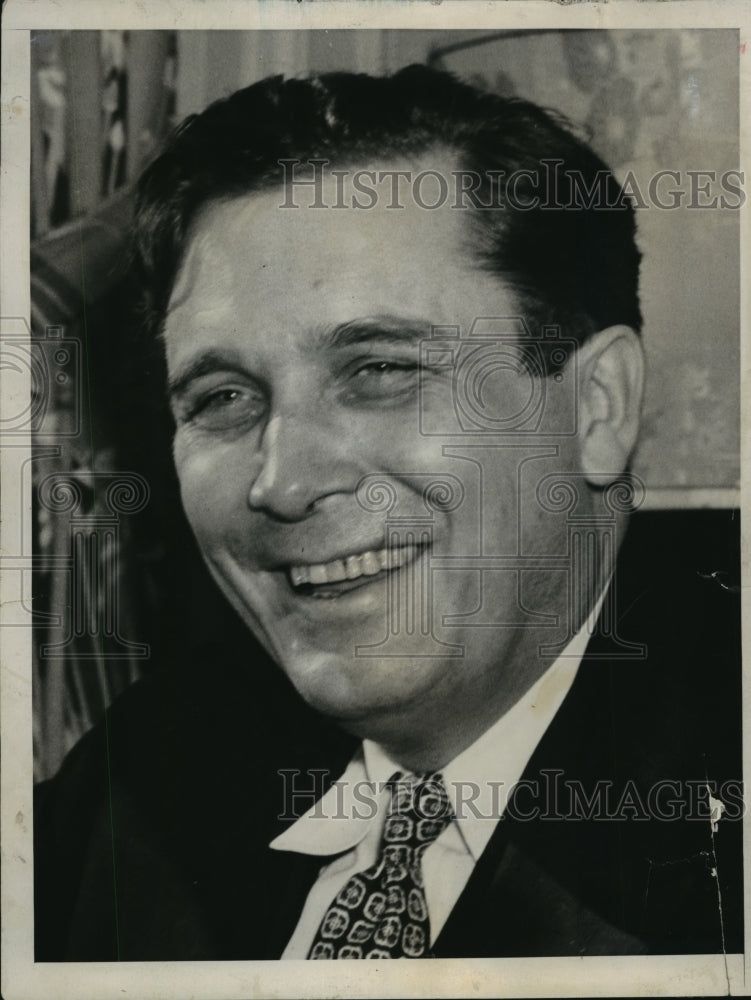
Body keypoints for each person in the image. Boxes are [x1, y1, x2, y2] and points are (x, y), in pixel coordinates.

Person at [34, 65, 742, 961]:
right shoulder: (133, 784)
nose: (283, 482)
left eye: (379, 371)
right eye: (221, 397)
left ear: (595, 405)